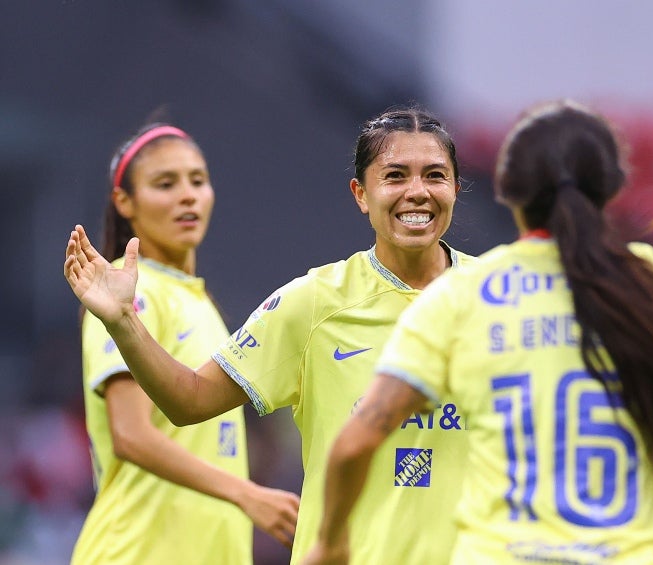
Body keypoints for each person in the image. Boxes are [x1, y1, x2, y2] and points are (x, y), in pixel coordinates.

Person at [303, 99, 653, 564]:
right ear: (611, 188)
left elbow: (355, 443)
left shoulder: (460, 296)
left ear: (508, 191)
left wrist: (331, 541)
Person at [64, 107, 476, 564]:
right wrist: (122, 321)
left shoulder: (497, 301)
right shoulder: (312, 302)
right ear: (361, 194)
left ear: (456, 188)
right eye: (395, 175)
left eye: (435, 175)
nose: (417, 192)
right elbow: (186, 402)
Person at [66, 123, 300, 564]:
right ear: (125, 202)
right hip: (137, 552)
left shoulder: (199, 302)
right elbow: (130, 435)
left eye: (198, 180)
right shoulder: (130, 292)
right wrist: (246, 494)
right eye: (165, 184)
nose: (188, 195)